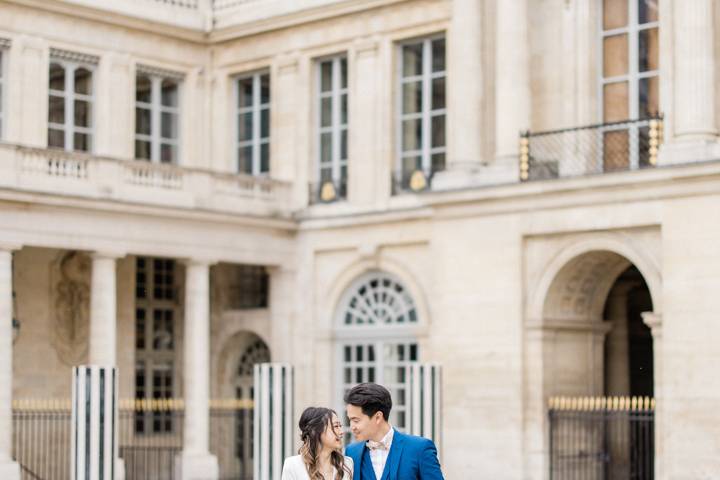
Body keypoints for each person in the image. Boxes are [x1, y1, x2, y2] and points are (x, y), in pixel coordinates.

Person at [344, 383, 444, 480]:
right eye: (350, 420)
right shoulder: (351, 452)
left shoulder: (420, 449)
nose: (352, 426)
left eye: (356, 420)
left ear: (378, 417)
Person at [282, 406, 354, 480]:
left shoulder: (347, 464)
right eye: (336, 426)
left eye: (340, 426)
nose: (341, 432)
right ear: (316, 431)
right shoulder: (292, 465)